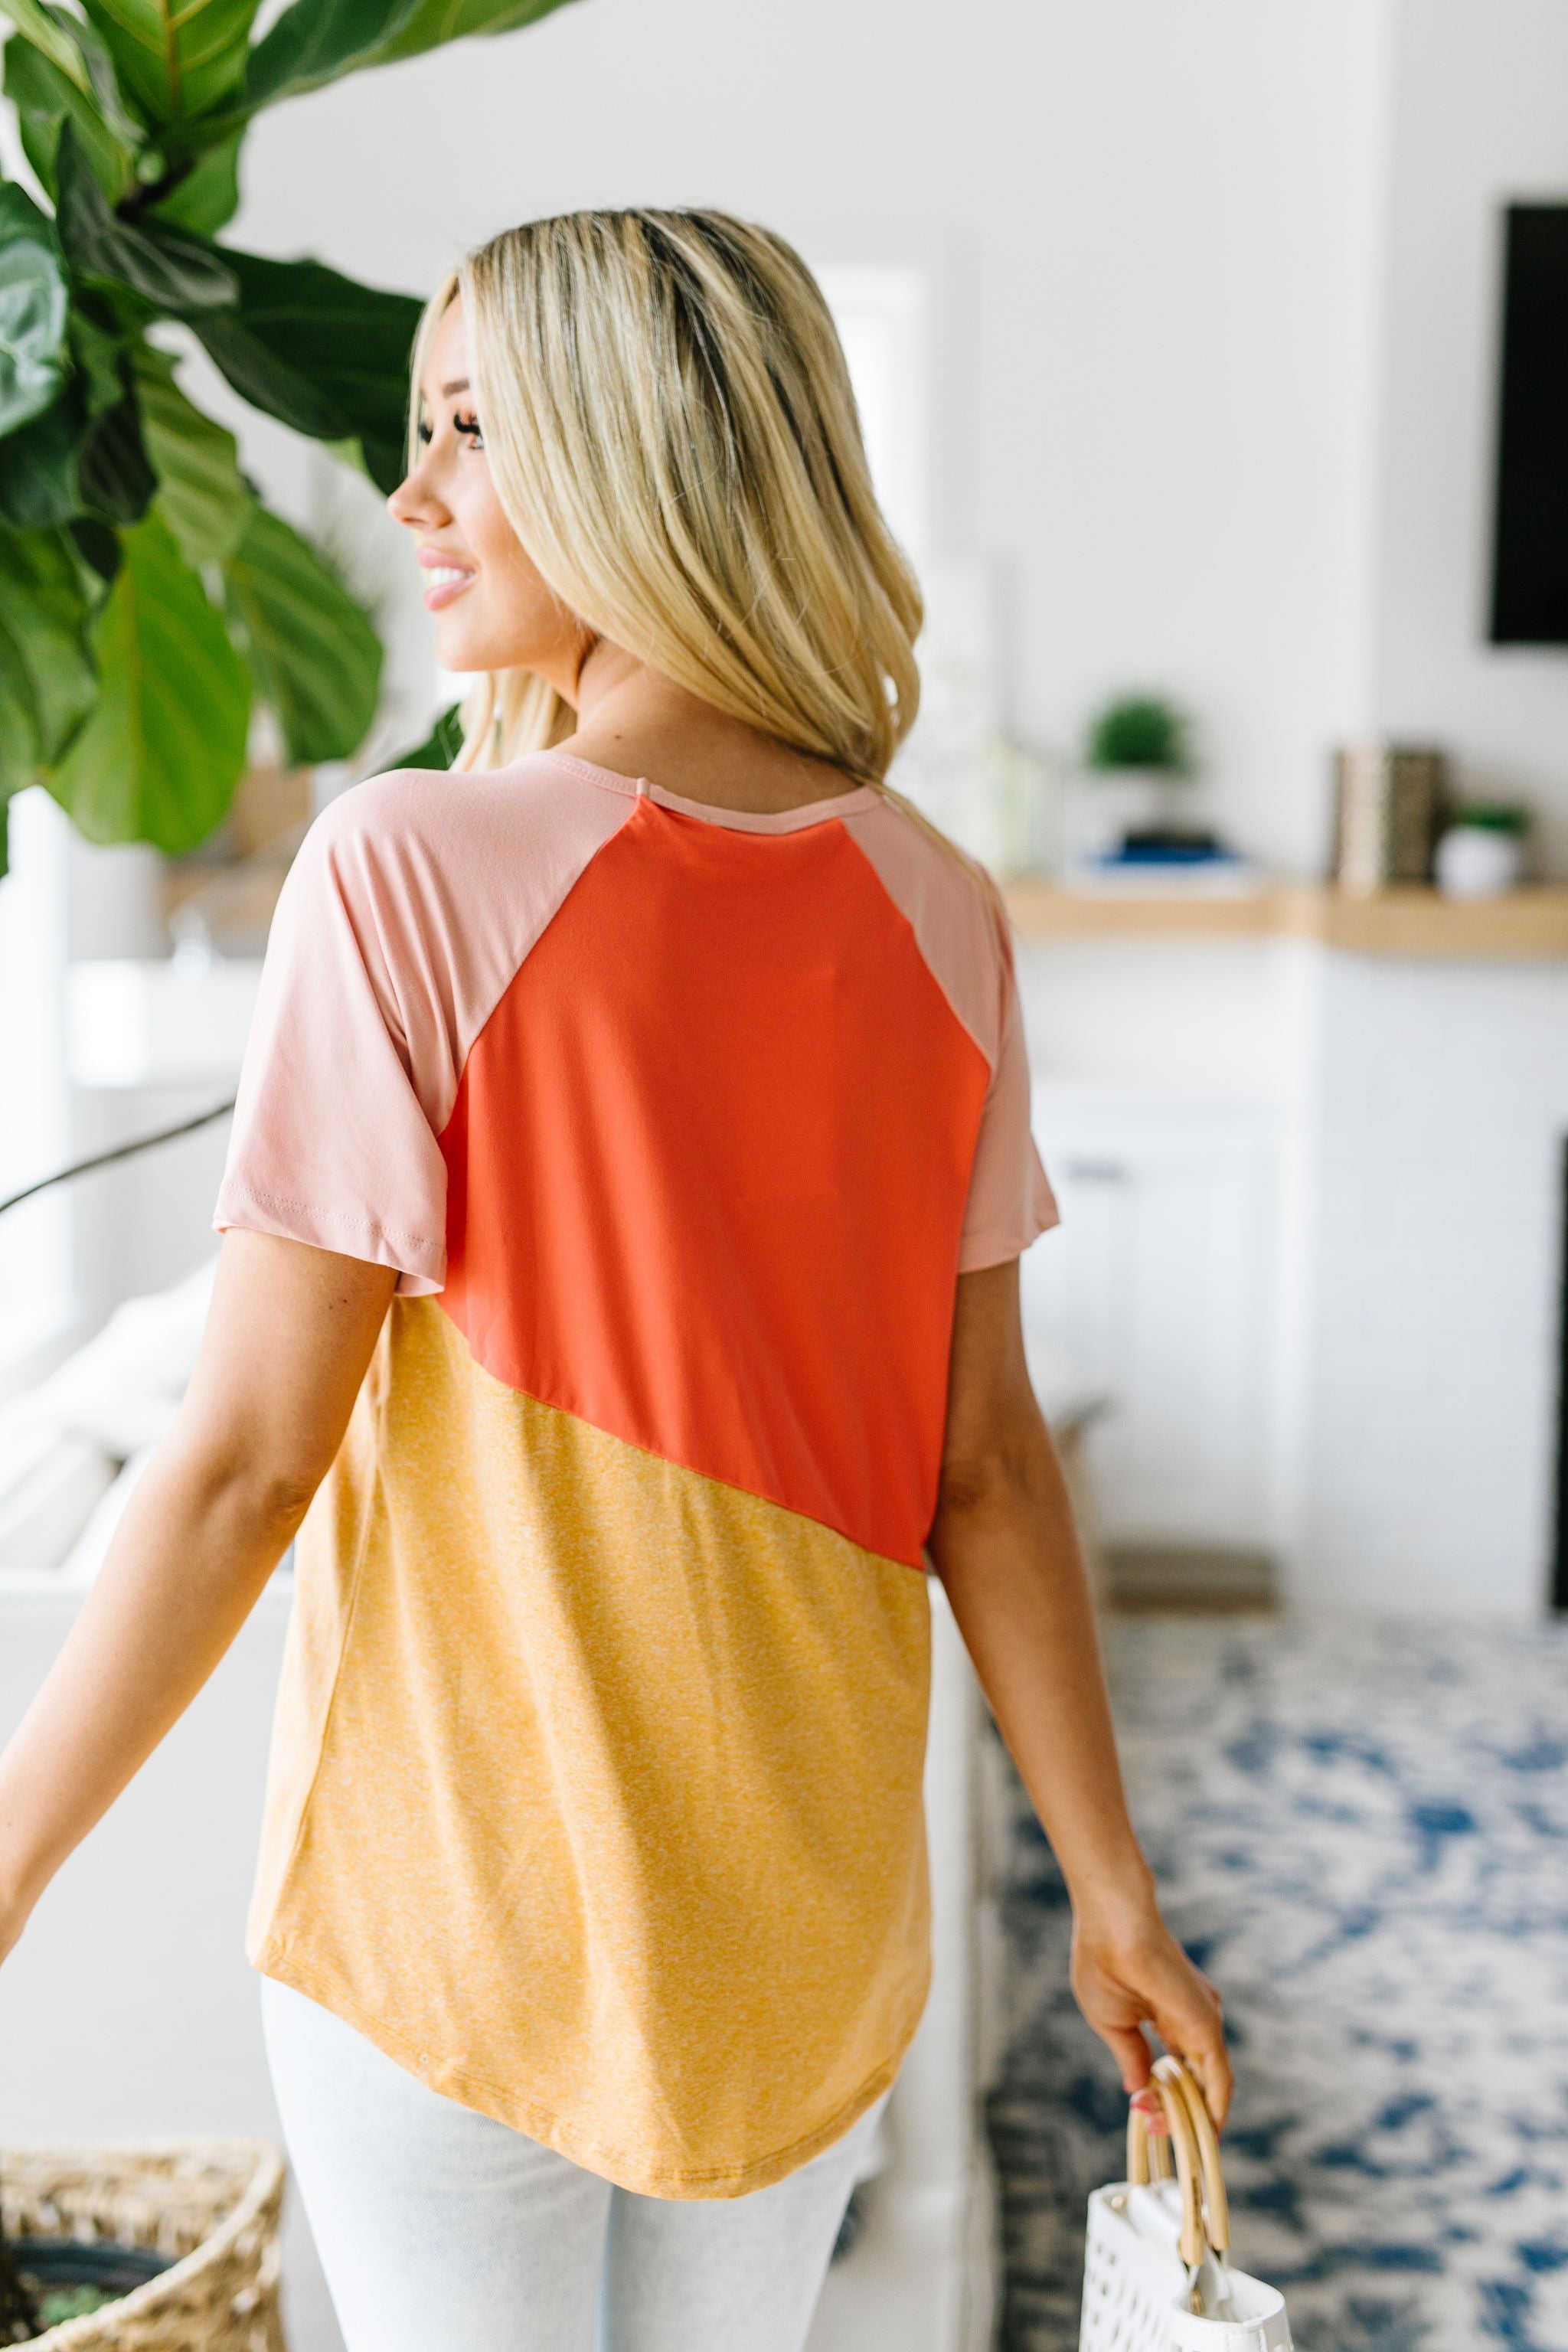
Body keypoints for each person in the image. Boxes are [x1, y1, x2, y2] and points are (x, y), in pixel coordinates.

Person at [0, 209, 1228, 2352]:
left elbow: (237, 1473)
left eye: (471, 430)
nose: (414, 497)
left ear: (635, 453)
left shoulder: (407, 871)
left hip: (459, 1920)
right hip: (801, 1940)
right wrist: (1111, 1896)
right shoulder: (943, 906)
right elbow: (993, 1473)